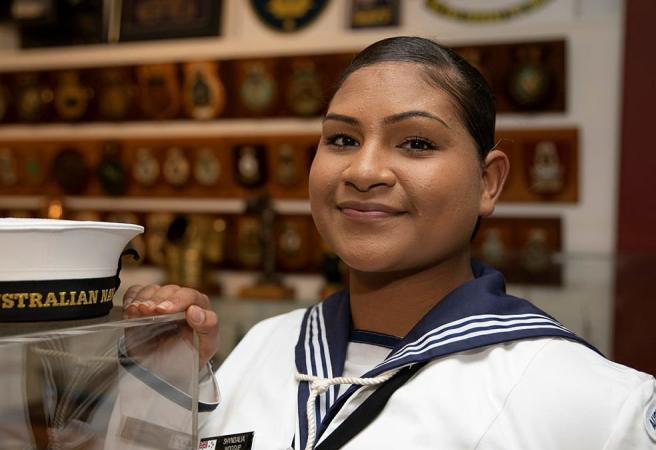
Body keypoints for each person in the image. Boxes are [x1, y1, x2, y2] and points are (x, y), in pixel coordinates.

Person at [119, 36, 656, 449]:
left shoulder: (593, 403)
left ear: (488, 182)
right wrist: (165, 382)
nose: (364, 170)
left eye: (416, 142)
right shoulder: (265, 346)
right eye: (342, 139)